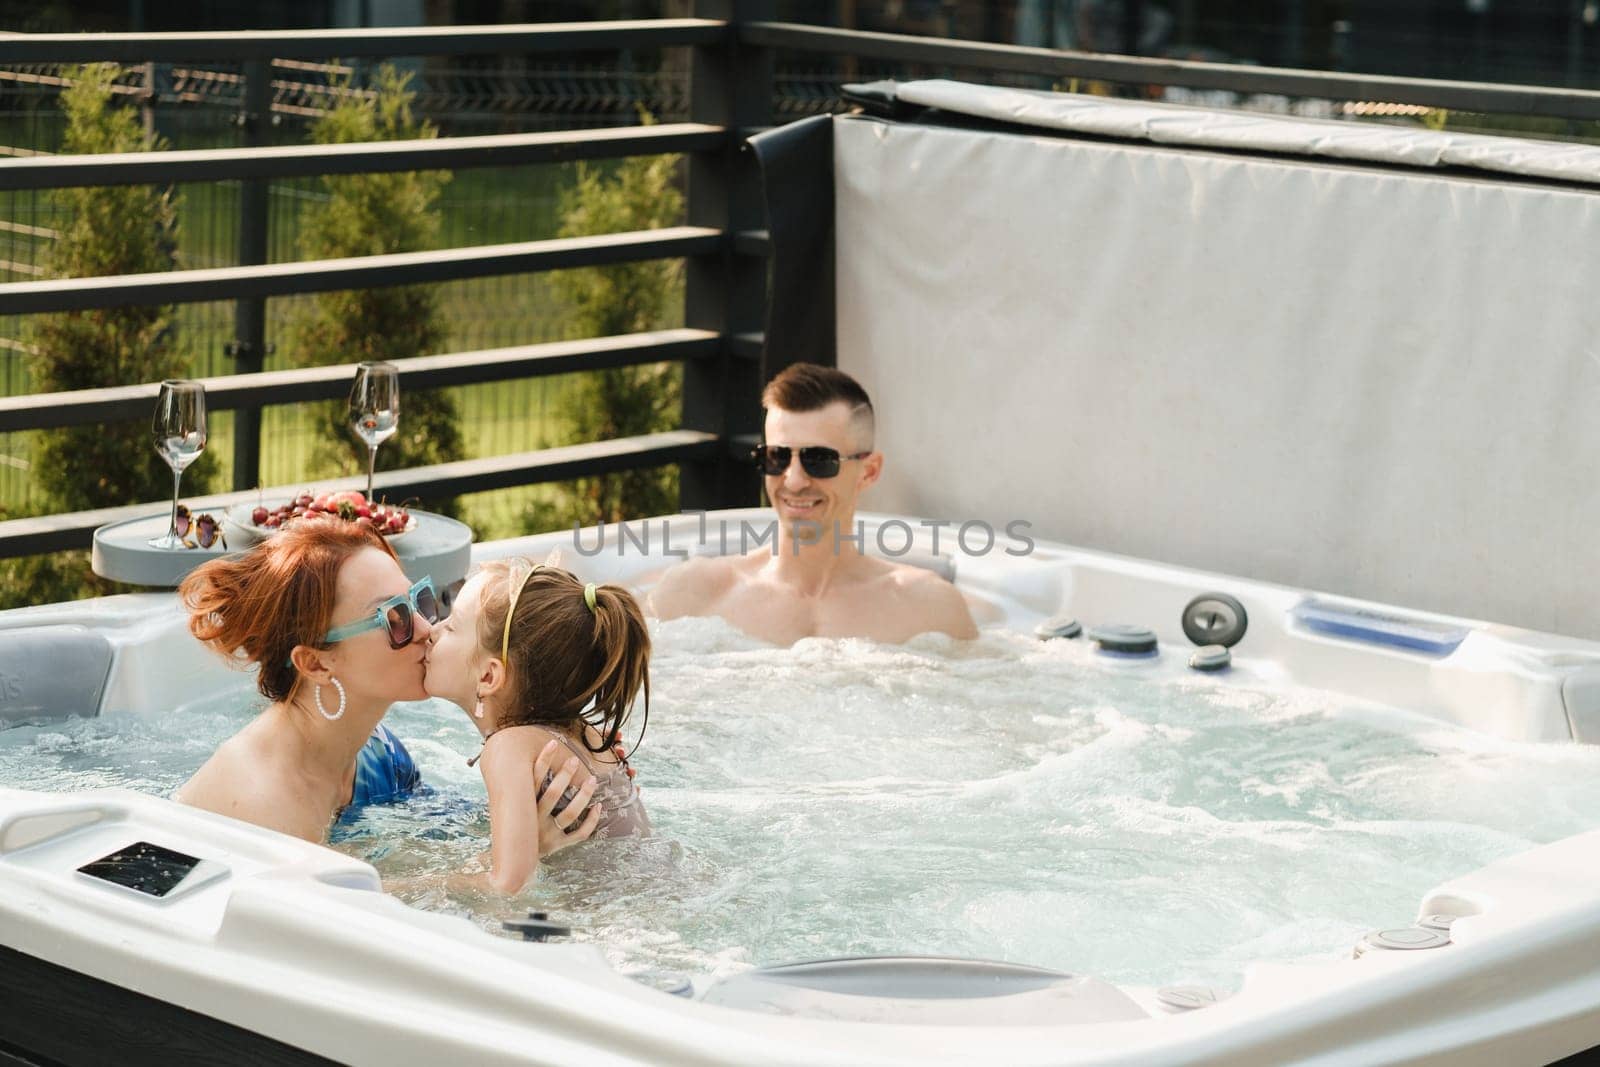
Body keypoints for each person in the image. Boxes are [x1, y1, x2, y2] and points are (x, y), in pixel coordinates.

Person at [174, 523, 592, 854]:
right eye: (394, 618)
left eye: (417, 602)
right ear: (316, 662)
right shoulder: (262, 806)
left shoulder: (379, 753)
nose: (427, 629)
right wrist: (525, 852)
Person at [650, 363, 978, 645]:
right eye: (776, 457)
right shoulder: (693, 594)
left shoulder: (929, 608)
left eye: (819, 460)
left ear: (869, 471)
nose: (793, 480)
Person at [423, 558, 650, 894]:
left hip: (620, 919)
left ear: (488, 676)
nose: (432, 630)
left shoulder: (507, 747)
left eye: (451, 626)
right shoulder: (585, 733)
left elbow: (508, 886)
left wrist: (387, 888)